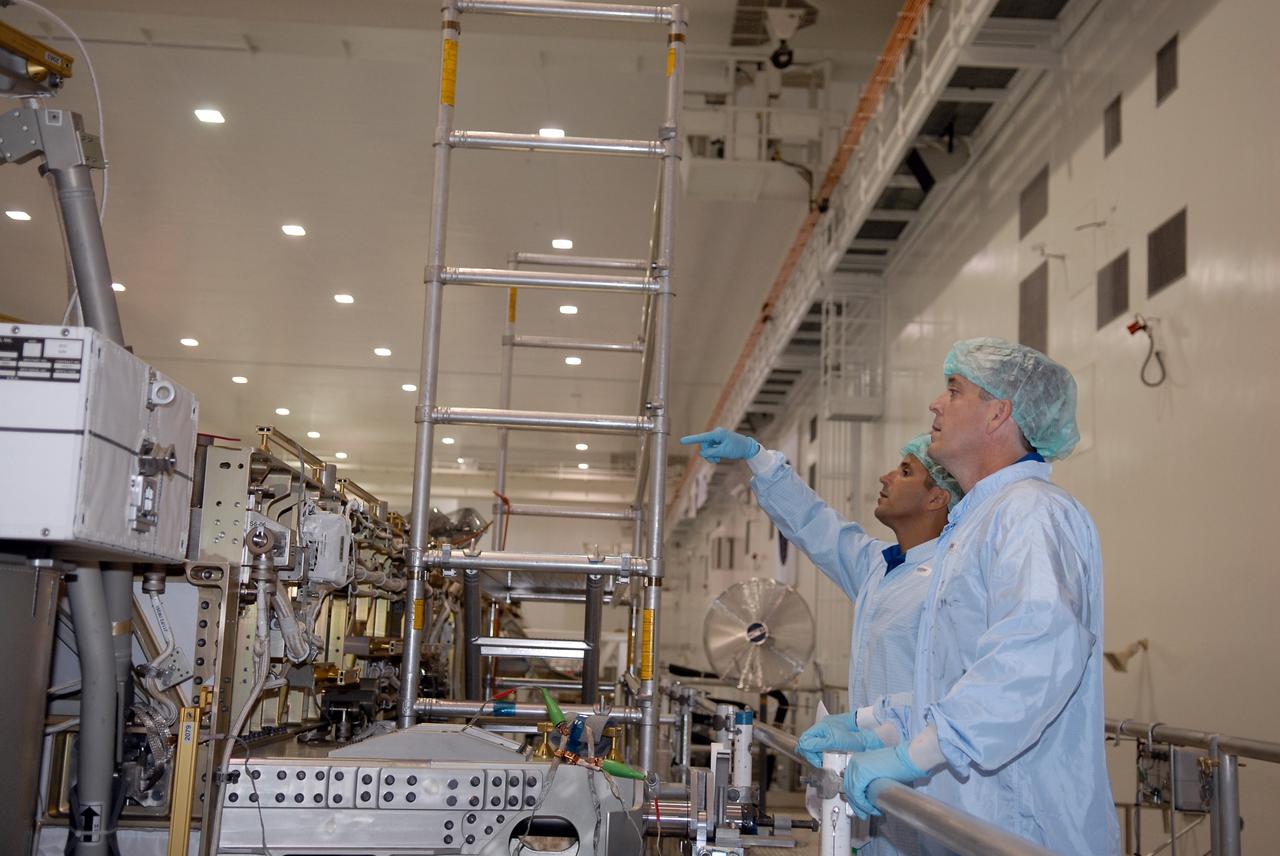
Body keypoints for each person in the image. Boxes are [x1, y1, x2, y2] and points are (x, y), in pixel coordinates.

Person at [836, 338, 1120, 855]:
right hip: (970, 823)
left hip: (1021, 826)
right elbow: (952, 680)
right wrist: (871, 727)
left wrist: (914, 755)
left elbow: (1031, 659)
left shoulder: (1032, 513)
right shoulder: (970, 528)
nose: (935, 405)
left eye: (954, 390)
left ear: (998, 413)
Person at [679, 428, 963, 856]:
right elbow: (815, 524)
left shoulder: (951, 580)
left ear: (937, 498)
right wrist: (758, 457)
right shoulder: (880, 566)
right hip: (872, 785)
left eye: (905, 471)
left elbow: (954, 692)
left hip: (926, 781)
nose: (885, 477)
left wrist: (867, 730)